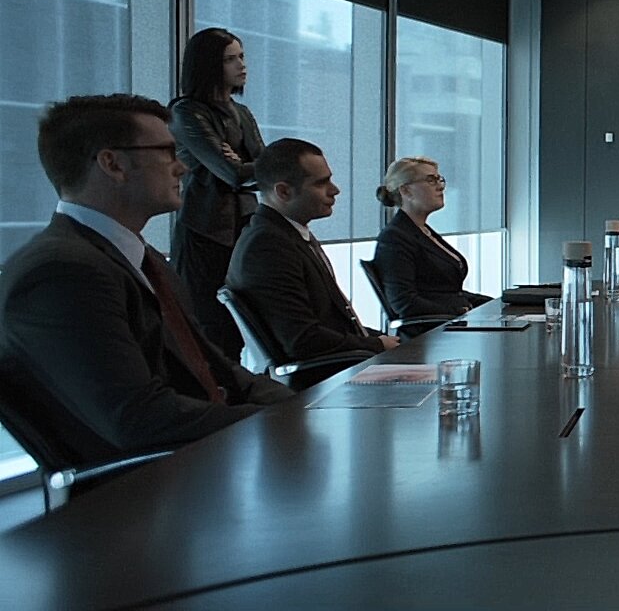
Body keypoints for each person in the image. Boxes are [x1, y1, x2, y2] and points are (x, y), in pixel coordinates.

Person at [0, 95, 292, 471]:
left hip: (208, 461)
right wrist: (271, 420)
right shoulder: (61, 273)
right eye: (168, 152)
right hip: (150, 489)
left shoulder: (142, 258)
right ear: (113, 164)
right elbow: (140, 417)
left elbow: (217, 368)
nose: (182, 167)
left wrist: (300, 407)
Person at [228, 138, 397, 373]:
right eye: (321, 183)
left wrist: (379, 340)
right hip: (326, 379)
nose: (335, 190)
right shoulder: (267, 246)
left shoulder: (287, 234)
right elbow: (301, 340)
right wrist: (377, 344)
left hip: (344, 364)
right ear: (283, 191)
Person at [168, 27, 266, 363]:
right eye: (230, 59)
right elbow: (234, 174)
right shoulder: (186, 112)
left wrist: (247, 165)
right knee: (211, 334)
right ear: (209, 65)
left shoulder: (241, 112)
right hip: (204, 232)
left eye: (242, 56)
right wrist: (244, 166)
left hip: (242, 230)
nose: (242, 65)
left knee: (241, 331)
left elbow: (269, 167)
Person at [370, 156, 491, 335]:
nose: (440, 186)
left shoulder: (422, 231)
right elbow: (404, 302)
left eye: (439, 179)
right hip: (431, 336)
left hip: (450, 328)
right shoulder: (395, 238)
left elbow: (447, 292)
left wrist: (496, 303)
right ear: (406, 191)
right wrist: (460, 312)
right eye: (431, 180)